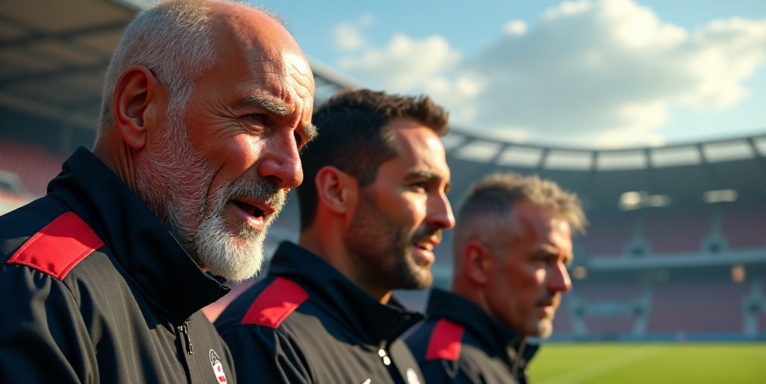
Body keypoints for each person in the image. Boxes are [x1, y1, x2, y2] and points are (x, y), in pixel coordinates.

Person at [0, 0, 315, 382]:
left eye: (298, 139)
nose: (292, 172)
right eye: (257, 119)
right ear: (138, 108)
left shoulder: (203, 332)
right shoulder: (32, 290)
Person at [215, 89, 455, 384]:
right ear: (336, 191)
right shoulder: (267, 340)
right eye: (420, 186)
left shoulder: (394, 346)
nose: (446, 217)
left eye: (445, 192)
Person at [405, 172, 586, 384]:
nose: (563, 284)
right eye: (542, 260)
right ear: (478, 263)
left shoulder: (482, 359)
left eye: (564, 263)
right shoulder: (448, 368)